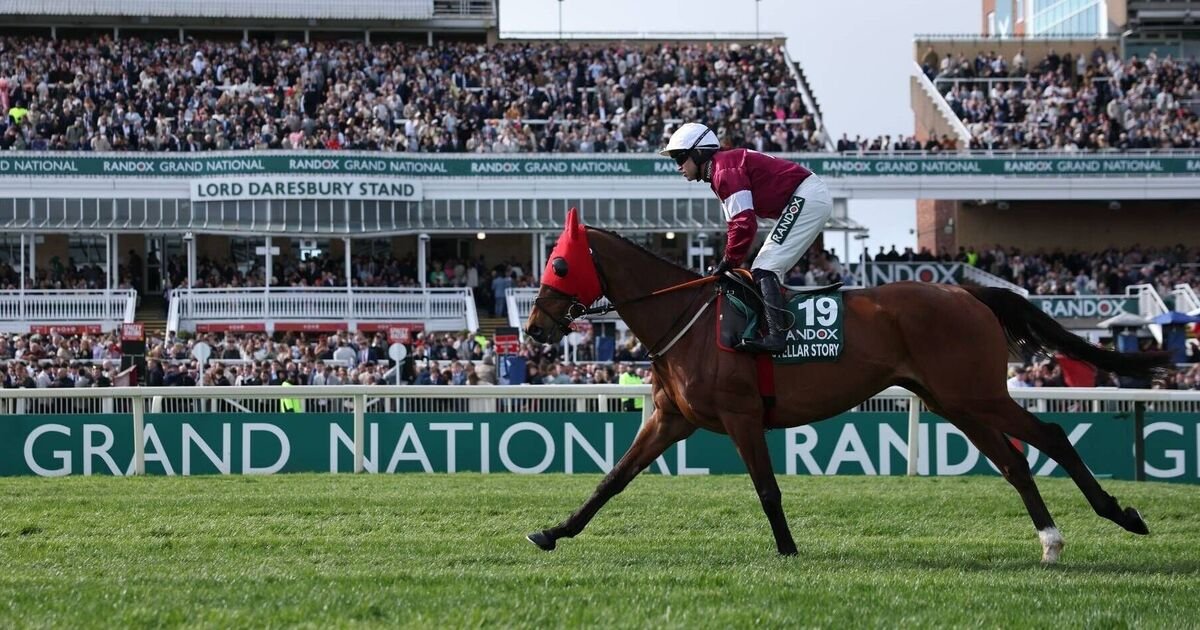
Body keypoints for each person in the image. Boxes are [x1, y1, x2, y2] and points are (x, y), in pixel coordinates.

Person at [660, 122, 833, 353]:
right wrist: (728, 262)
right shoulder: (720, 169)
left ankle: (777, 337)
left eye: (680, 158)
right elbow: (735, 225)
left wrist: (727, 262)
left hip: (808, 197)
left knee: (765, 268)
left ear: (699, 153)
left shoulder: (724, 171)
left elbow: (744, 224)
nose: (678, 166)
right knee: (763, 267)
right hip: (806, 196)